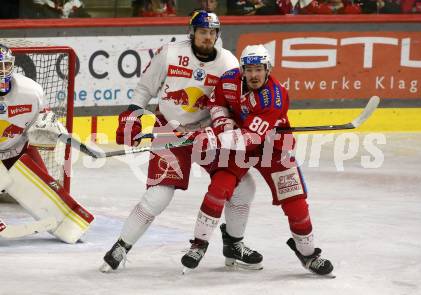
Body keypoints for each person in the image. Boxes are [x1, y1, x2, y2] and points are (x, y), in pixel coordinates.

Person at [100, 10, 262, 272]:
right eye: (202, 32)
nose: (207, 37)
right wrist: (132, 116)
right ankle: (121, 245)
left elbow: (236, 104)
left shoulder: (229, 63)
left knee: (244, 187)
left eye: (212, 32)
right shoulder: (171, 53)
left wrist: (247, 126)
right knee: (158, 195)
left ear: (217, 34)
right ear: (192, 32)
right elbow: (145, 88)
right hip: (170, 130)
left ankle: (234, 243)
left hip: (209, 133)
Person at [180, 45, 334, 276]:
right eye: (249, 69)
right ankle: (199, 245)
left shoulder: (275, 97)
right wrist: (222, 124)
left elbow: (247, 140)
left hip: (273, 147)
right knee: (219, 186)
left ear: (268, 69)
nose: (254, 75)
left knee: (295, 203)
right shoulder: (229, 80)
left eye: (259, 69)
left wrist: (215, 138)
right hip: (240, 144)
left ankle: (308, 253)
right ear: (242, 70)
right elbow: (217, 104)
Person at [0, 44, 94, 243]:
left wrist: (52, 127)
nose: (2, 71)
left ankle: (70, 226)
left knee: (49, 195)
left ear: (12, 66)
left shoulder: (30, 92)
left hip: (18, 150)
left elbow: (43, 119)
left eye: (5, 65)